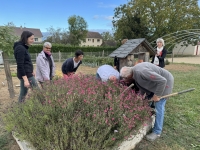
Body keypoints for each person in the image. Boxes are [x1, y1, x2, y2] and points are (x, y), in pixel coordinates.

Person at [120, 62, 174, 141]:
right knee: (146, 101)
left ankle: (157, 132)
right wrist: (141, 97)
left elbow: (162, 81)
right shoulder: (135, 73)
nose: (124, 80)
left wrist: (157, 95)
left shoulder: (142, 72)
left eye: (125, 78)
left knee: (159, 106)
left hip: (165, 84)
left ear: (129, 75)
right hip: (156, 84)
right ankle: (148, 117)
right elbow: (142, 85)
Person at [14, 31, 38, 102]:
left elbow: (27, 62)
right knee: (38, 92)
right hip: (26, 75)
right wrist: (25, 79)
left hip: (27, 73)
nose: (33, 41)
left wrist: (32, 70)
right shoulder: (20, 48)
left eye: (34, 39)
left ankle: (19, 108)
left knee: (23, 93)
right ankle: (44, 106)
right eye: (31, 39)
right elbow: (20, 65)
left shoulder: (23, 47)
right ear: (25, 38)